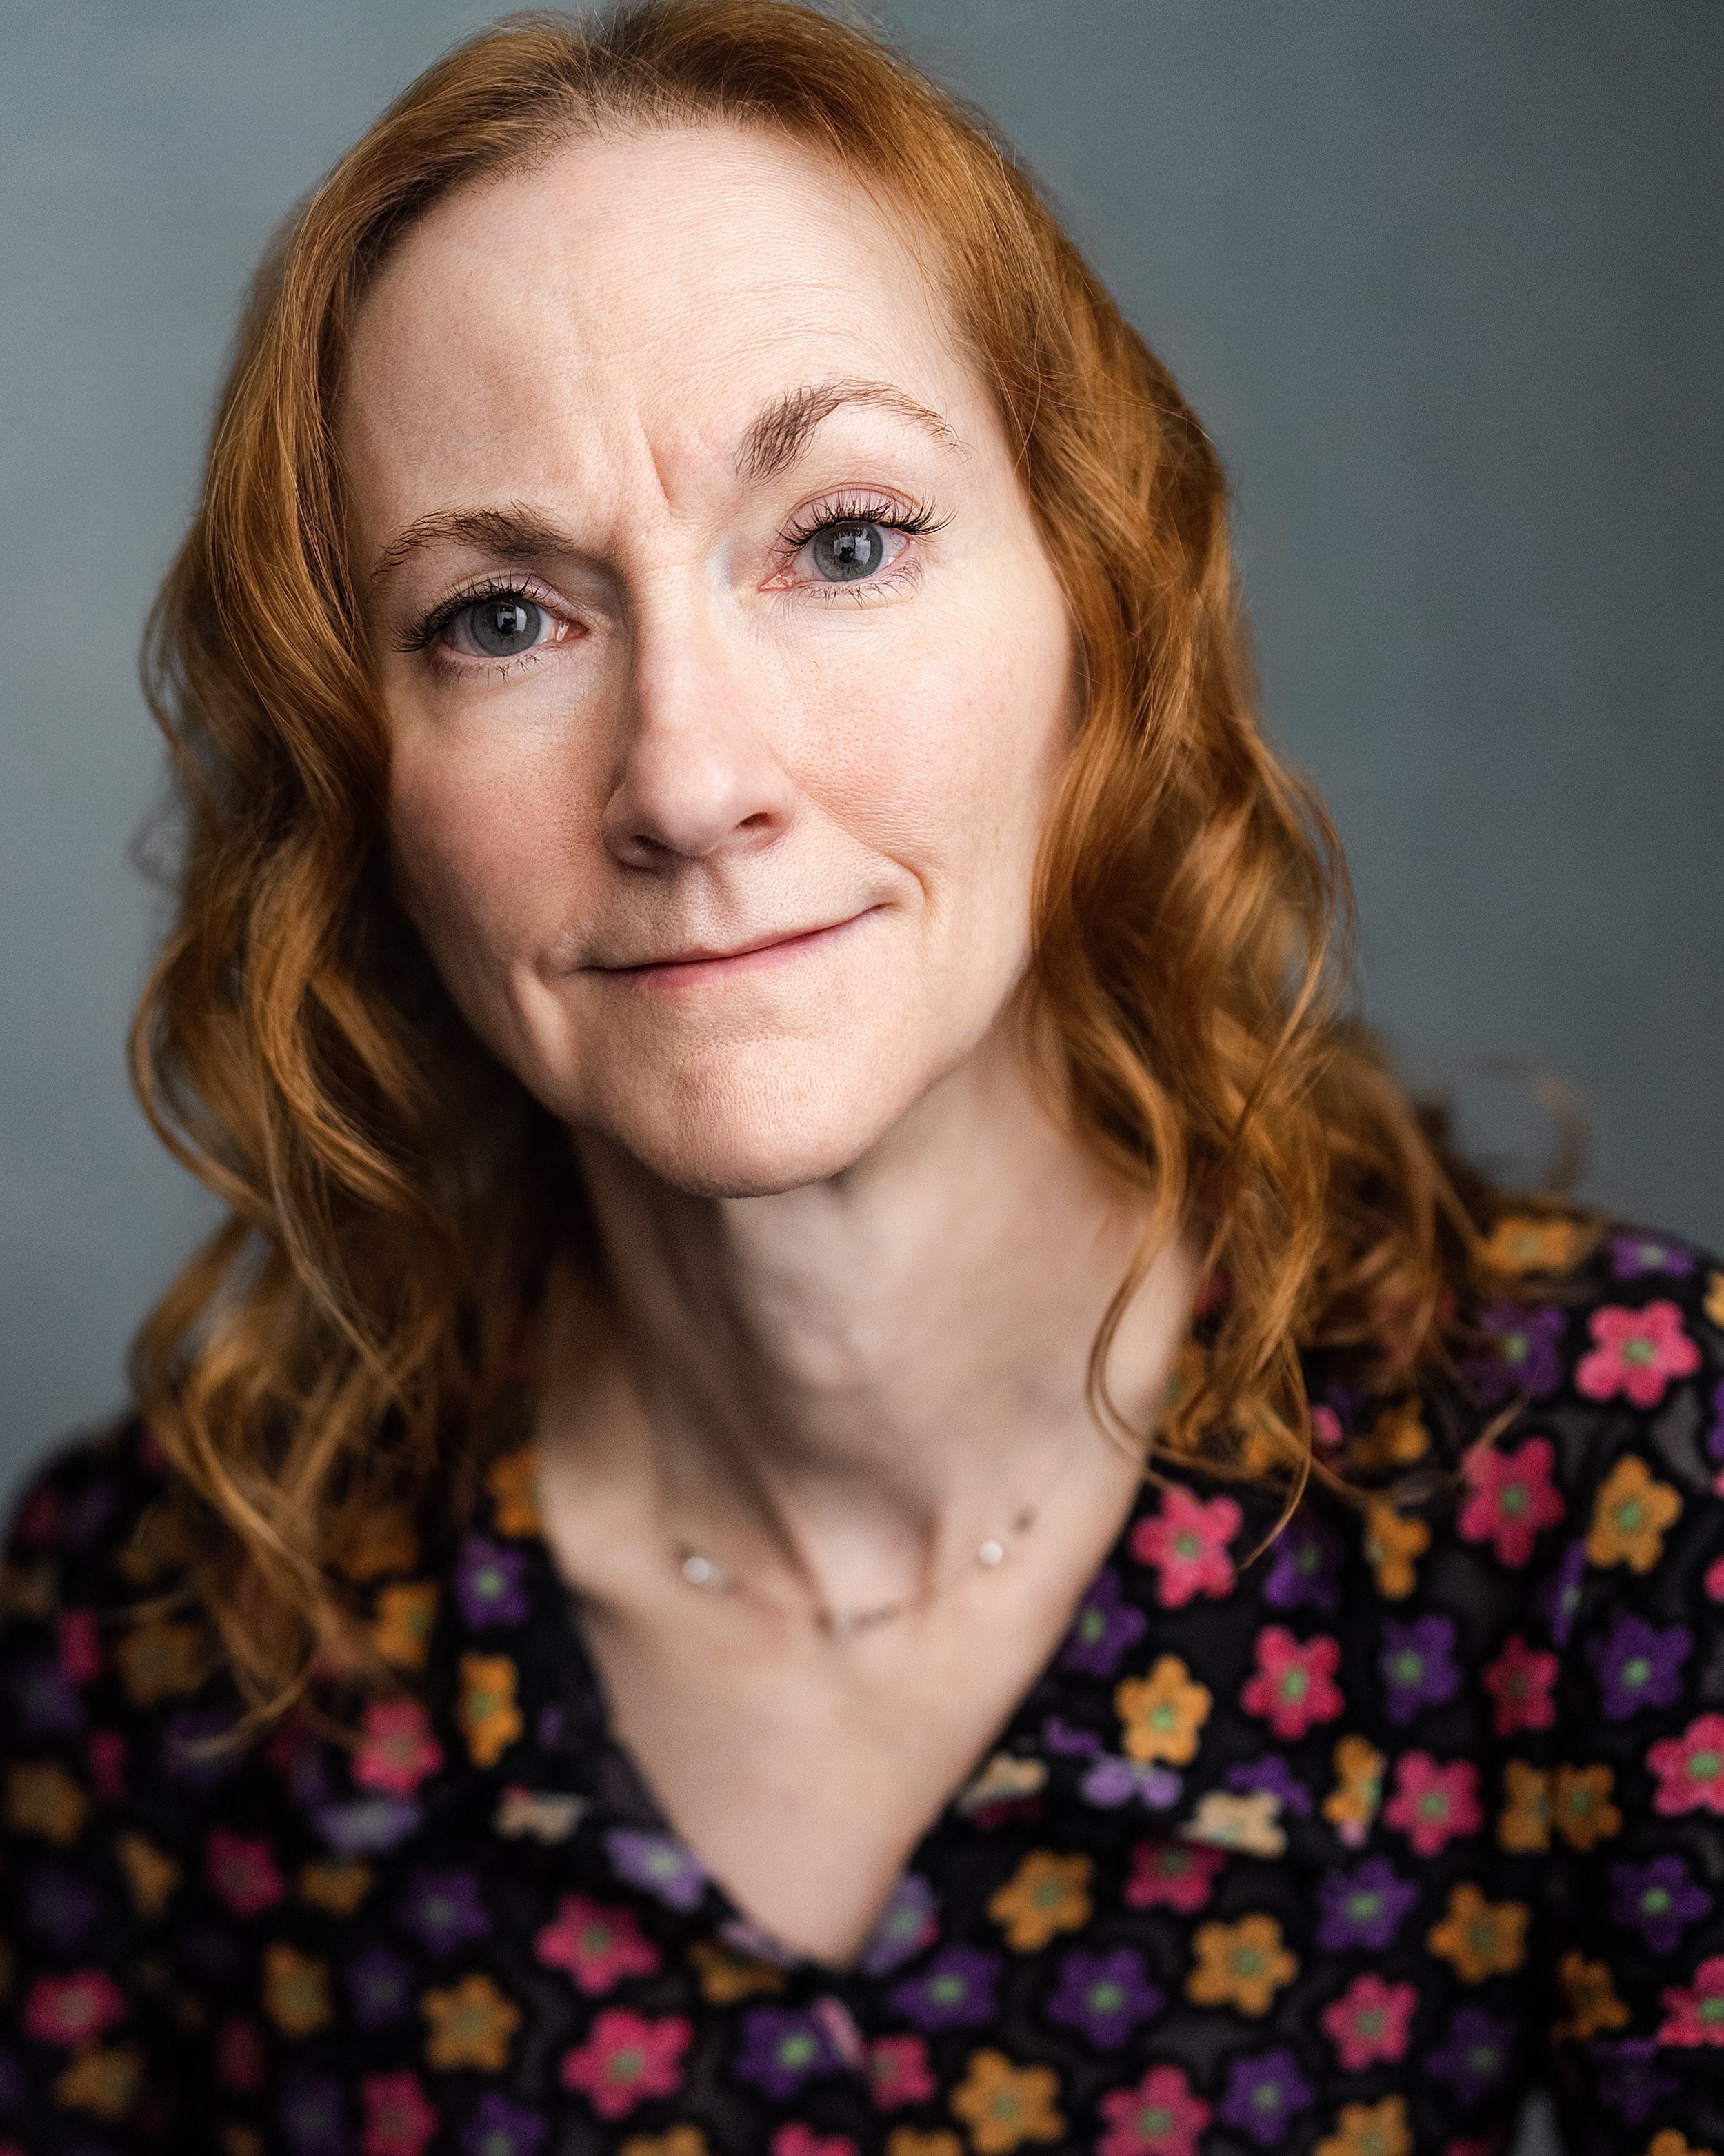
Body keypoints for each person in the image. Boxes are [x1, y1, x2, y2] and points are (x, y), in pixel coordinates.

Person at [2, 4, 1719, 2152]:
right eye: (500, 620)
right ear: (360, 781)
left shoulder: (1626, 1497)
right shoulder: (162, 1633)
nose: (691, 784)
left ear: (1100, 615)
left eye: (841, 540)